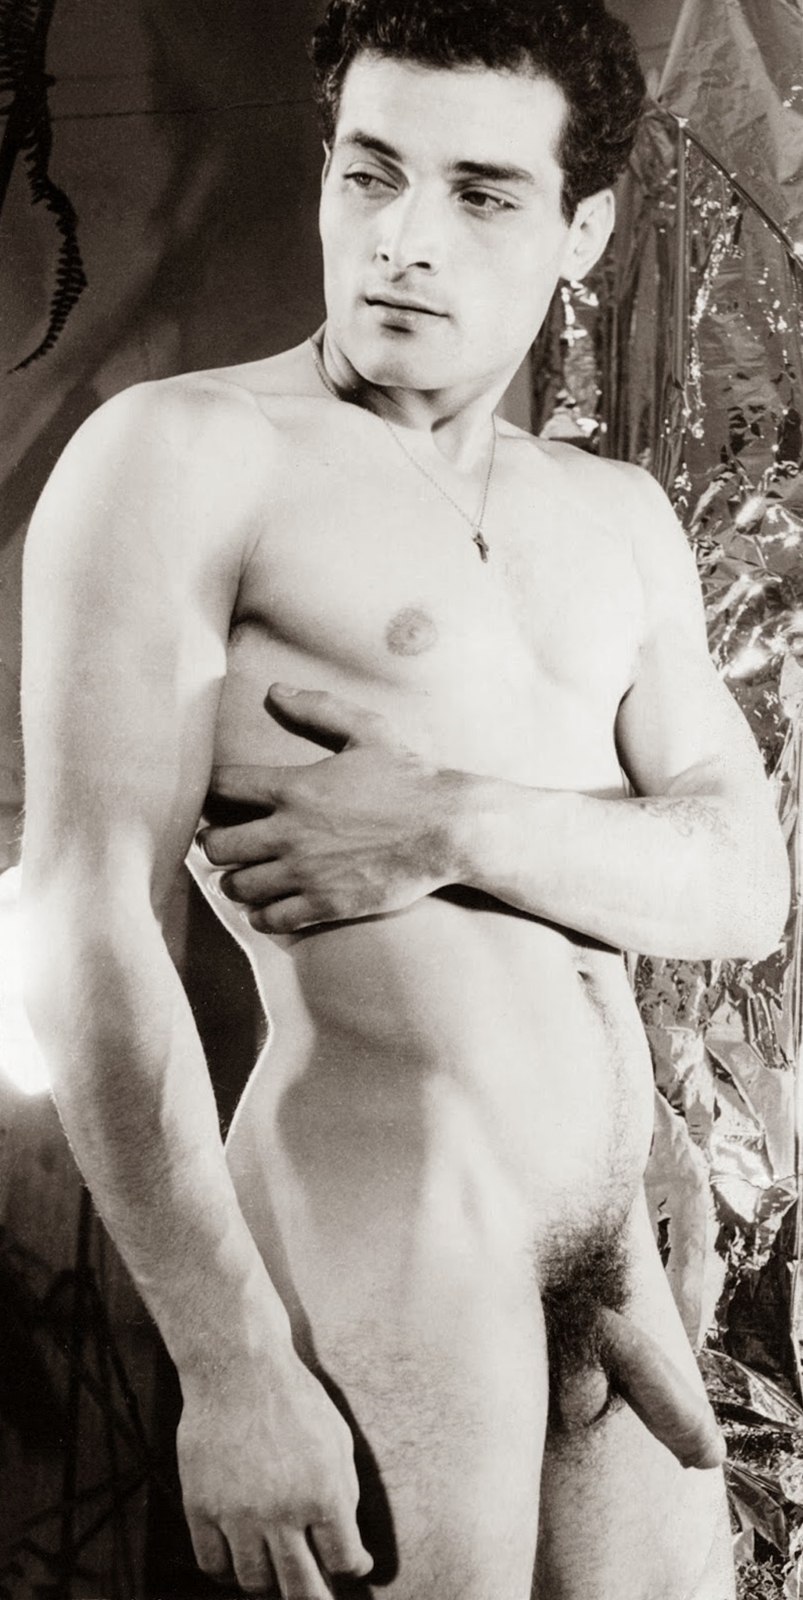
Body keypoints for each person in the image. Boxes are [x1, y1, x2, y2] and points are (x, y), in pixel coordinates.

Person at [19, 1, 789, 1596]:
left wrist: (453, 821)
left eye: (481, 194)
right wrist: (230, 1360)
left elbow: (739, 881)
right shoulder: (190, 453)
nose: (404, 240)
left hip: (613, 1263)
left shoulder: (615, 517)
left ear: (584, 231)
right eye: (370, 174)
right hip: (391, 1227)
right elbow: (86, 915)